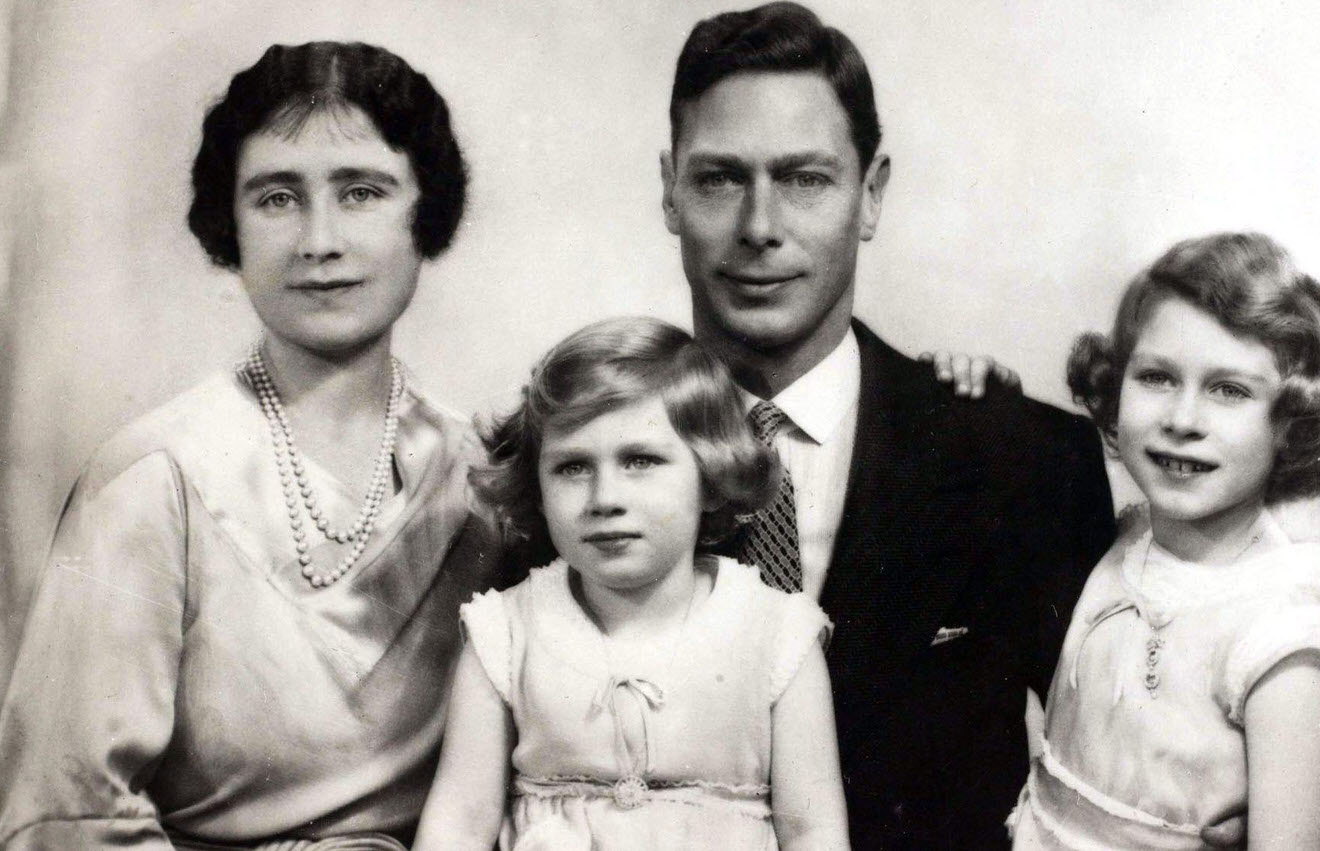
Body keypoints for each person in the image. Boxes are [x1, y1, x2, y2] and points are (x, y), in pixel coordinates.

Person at [0, 42, 515, 850]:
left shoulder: (487, 485)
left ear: (428, 214)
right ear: (228, 225)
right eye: (277, 197)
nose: (319, 240)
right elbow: (67, 812)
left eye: (361, 192)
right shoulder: (152, 479)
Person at [658, 4, 1117, 847]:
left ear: (871, 195)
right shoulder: (572, 457)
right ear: (669, 192)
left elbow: (1125, 776)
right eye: (720, 178)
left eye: (806, 179)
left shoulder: (1022, 458)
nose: (761, 227)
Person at [1009, 232, 1320, 849]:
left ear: (1293, 427)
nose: (1182, 420)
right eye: (1157, 377)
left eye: (1230, 390)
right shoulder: (1127, 540)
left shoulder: (1285, 637)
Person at [414, 317, 849, 850]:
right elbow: (459, 820)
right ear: (537, 486)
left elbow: (813, 832)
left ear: (711, 477)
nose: (604, 498)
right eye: (572, 467)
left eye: (640, 461)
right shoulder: (504, 632)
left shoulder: (779, 635)